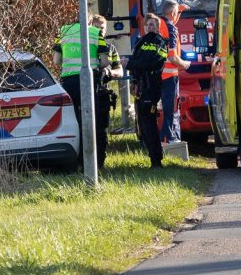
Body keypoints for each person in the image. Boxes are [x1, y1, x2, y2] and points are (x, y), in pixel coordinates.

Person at [53, 14, 120, 169]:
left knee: (73, 121)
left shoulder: (63, 31)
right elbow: (104, 62)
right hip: (89, 81)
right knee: (90, 121)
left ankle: (74, 162)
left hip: (69, 82)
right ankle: (91, 162)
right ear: (90, 20)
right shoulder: (96, 33)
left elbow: (56, 61)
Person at [126, 13, 168, 168]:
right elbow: (137, 62)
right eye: (147, 24)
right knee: (142, 126)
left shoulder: (160, 42)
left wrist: (130, 64)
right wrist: (133, 82)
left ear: (157, 27)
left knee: (149, 124)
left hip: (151, 86)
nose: (149, 27)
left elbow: (149, 63)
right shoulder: (140, 42)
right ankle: (152, 155)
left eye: (152, 25)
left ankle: (156, 161)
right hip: (141, 87)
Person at [158, 0, 191, 144]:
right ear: (172, 13)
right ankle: (170, 140)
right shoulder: (171, 28)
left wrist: (180, 10)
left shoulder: (158, 23)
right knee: (171, 109)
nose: (178, 17)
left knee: (165, 109)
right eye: (177, 13)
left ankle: (165, 140)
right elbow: (172, 56)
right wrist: (185, 64)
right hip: (169, 76)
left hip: (158, 75)